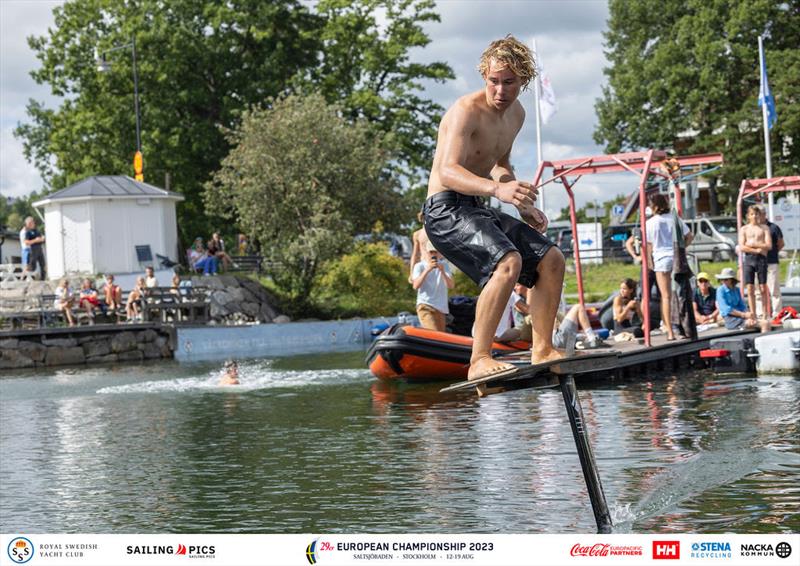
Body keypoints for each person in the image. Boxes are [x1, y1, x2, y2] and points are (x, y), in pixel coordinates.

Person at [423, 35, 564, 381]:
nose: (500, 90)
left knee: (552, 259)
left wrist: (522, 203)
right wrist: (498, 191)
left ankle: (542, 348)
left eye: (509, 82)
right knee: (508, 261)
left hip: (476, 206)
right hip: (444, 211)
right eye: (494, 81)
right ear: (484, 76)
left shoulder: (516, 115)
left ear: (524, 81)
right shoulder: (465, 111)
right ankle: (479, 359)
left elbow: (500, 163)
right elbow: (448, 170)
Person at [646, 193, 692, 340]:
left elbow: (648, 244)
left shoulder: (650, 222)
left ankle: (670, 332)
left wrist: (649, 261)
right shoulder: (674, 218)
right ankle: (684, 328)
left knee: (665, 296)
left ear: (653, 206)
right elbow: (689, 235)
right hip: (676, 257)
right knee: (680, 295)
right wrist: (682, 248)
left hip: (661, 258)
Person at [411, 241, 454, 332]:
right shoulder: (419, 266)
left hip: (441, 308)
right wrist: (427, 270)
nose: (434, 254)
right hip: (425, 306)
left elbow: (451, 285)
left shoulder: (444, 265)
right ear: (426, 252)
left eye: (436, 252)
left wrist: (442, 271)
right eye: (431, 252)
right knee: (434, 335)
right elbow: (415, 285)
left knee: (441, 338)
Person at [738, 204, 772, 320]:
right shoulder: (744, 229)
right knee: (750, 288)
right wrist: (755, 250)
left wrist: (753, 244)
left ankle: (765, 313)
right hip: (749, 259)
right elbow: (742, 246)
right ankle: (753, 314)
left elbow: (769, 245)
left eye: (756, 214)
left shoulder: (764, 228)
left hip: (761, 259)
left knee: (763, 287)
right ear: (748, 216)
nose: (755, 216)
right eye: (752, 214)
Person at [765, 213, 784, 315]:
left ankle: (777, 313)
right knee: (759, 292)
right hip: (758, 263)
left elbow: (781, 243)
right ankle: (761, 313)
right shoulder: (754, 228)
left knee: (774, 289)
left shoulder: (773, 228)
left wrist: (773, 253)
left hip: (772, 262)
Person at [408, 212, 431, 283]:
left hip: (437, 264)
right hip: (423, 264)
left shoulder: (438, 231)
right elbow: (415, 254)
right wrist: (411, 272)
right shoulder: (417, 234)